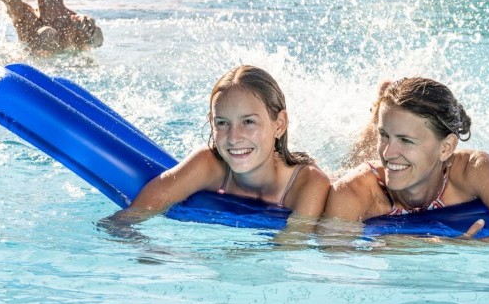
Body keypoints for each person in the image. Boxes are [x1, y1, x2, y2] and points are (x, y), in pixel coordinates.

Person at [323, 77, 489, 245]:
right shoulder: (352, 192)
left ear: (446, 147)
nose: (387, 152)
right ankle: (379, 115)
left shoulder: (472, 170)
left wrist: (461, 246)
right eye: (383, 135)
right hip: (359, 177)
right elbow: (334, 255)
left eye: (406, 140)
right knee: (348, 165)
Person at [105, 66, 331, 238]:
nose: (233, 137)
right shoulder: (208, 165)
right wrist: (146, 248)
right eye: (222, 123)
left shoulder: (309, 184)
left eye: (249, 122)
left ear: (279, 124)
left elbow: (290, 246)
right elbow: (129, 217)